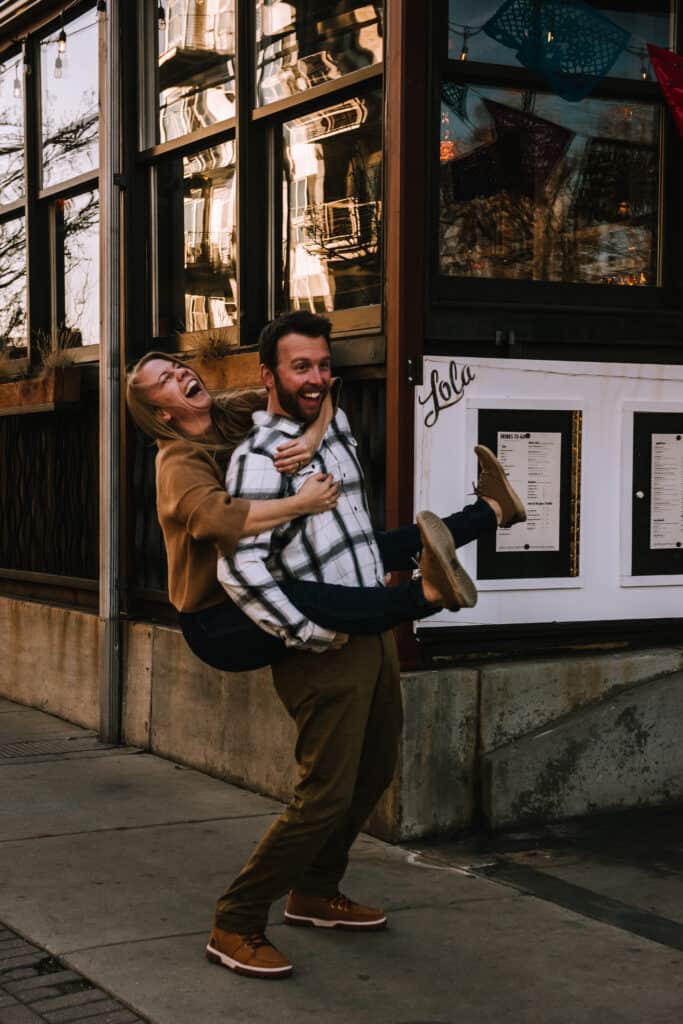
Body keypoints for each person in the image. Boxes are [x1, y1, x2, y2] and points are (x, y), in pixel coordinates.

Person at [206, 311, 525, 979]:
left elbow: (346, 530)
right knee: (322, 792)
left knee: (373, 771)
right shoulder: (258, 461)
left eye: (324, 365)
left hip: (370, 629)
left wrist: (320, 425)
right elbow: (247, 567)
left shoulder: (329, 435)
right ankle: (235, 920)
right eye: (302, 367)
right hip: (321, 646)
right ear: (268, 375)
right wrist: (308, 628)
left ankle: (315, 892)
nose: (318, 377)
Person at [125, 352, 525, 674]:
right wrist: (302, 504)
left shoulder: (230, 413)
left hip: (270, 572)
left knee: (368, 546)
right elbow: (217, 520)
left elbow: (318, 392)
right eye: (165, 380)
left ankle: (491, 510)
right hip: (219, 622)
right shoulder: (178, 463)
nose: (180, 375)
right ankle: (429, 593)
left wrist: (311, 436)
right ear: (162, 414)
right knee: (303, 594)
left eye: (178, 368)